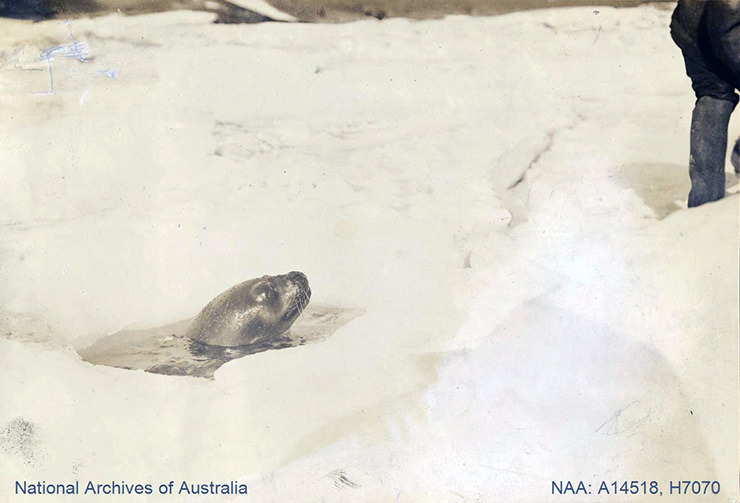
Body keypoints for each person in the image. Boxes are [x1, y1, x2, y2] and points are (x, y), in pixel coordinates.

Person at [670, 0, 740, 207]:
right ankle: (706, 206)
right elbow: (726, 22)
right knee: (714, 95)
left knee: (713, 95)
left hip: (691, 23)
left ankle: (704, 202)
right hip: (723, 23)